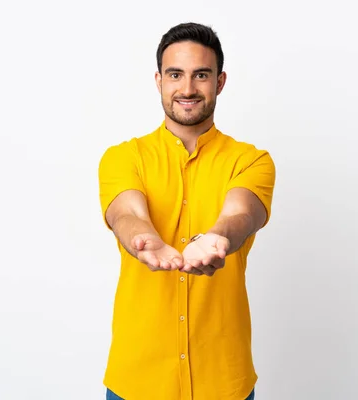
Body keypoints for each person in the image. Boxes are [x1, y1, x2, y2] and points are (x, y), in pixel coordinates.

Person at [98, 22, 276, 400]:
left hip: (223, 382)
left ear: (220, 82)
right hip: (138, 382)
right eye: (176, 75)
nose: (188, 88)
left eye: (201, 75)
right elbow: (126, 213)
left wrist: (219, 238)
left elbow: (241, 213)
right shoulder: (123, 158)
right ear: (160, 80)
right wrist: (141, 238)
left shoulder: (251, 161)